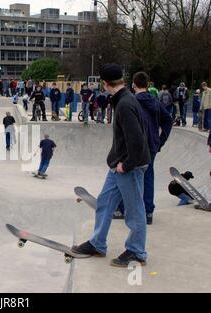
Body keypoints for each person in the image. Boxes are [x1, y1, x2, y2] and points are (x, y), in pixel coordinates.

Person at [72, 64, 151, 268]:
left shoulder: (125, 104)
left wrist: (127, 165)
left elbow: (137, 140)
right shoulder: (124, 99)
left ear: (105, 84)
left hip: (129, 168)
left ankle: (136, 252)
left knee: (134, 211)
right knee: (105, 203)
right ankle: (97, 244)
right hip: (118, 165)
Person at [116, 72, 173, 225]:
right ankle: (148, 212)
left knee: (126, 175)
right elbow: (168, 119)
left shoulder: (131, 101)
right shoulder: (155, 102)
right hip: (152, 145)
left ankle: (122, 208)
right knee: (148, 176)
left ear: (133, 85)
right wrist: (161, 140)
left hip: (135, 145)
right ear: (148, 85)